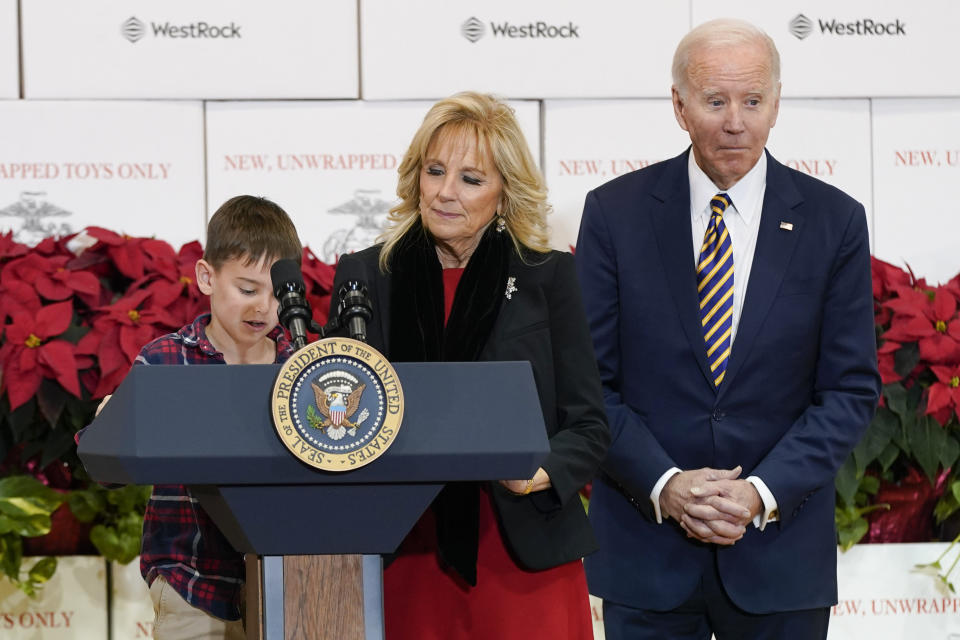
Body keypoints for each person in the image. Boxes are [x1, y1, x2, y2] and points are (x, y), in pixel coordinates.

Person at [575, 19, 881, 640]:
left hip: (781, 560)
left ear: (776, 105)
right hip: (647, 557)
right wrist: (666, 485)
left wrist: (761, 492)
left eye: (752, 101)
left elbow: (849, 391)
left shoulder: (834, 222)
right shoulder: (614, 214)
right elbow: (589, 385)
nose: (735, 121)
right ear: (680, 106)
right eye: (715, 101)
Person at [331, 91, 610, 639]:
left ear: (505, 193)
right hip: (404, 550)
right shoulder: (365, 276)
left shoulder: (546, 278)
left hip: (520, 553)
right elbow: (339, 420)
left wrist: (542, 472)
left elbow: (589, 423)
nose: (444, 192)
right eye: (434, 171)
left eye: (470, 179)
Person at [86, 196, 302, 640]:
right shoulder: (165, 361)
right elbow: (106, 472)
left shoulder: (300, 366)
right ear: (207, 276)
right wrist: (113, 429)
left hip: (287, 586)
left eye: (276, 292)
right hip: (190, 584)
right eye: (247, 289)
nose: (264, 307)